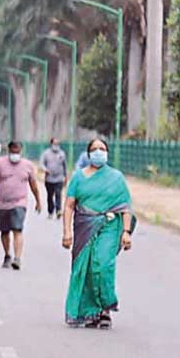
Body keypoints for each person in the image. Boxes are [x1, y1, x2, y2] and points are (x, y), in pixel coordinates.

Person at [62, 138, 136, 329]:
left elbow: (125, 207)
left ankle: (105, 309)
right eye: (94, 149)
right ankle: (90, 312)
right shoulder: (78, 177)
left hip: (109, 226)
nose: (98, 152)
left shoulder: (116, 178)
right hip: (84, 226)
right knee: (85, 269)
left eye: (102, 149)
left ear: (107, 153)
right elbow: (69, 205)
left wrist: (126, 232)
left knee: (103, 266)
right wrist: (66, 232)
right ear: (88, 154)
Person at [0, 141, 42, 270]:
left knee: (17, 230)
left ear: (21, 151)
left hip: (19, 203)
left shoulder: (28, 166)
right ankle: (7, 255)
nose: (15, 154)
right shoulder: (0, 164)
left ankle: (17, 258)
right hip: (2, 204)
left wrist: (38, 200)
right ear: (8, 150)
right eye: (13, 151)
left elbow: (34, 185)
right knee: (4, 231)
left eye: (17, 151)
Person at [40, 137, 67, 219]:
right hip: (49, 179)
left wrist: (65, 176)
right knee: (50, 196)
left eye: (57, 144)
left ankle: (58, 210)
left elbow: (64, 166)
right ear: (51, 144)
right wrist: (45, 170)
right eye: (54, 143)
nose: (56, 145)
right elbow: (42, 164)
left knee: (58, 194)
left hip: (59, 178)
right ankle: (50, 211)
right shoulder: (46, 153)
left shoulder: (62, 153)